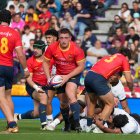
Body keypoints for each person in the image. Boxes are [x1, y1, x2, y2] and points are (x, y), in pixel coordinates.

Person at [43, 28, 85, 132]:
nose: (63, 40)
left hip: (73, 74)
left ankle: (77, 123)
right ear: (58, 38)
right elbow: (45, 62)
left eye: (66, 38)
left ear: (70, 38)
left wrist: (67, 76)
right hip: (60, 76)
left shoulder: (76, 49)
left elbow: (81, 67)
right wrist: (48, 77)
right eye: (61, 38)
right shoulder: (52, 47)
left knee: (70, 94)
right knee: (63, 103)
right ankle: (67, 123)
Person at [84, 48, 135, 132]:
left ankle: (88, 126)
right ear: (126, 57)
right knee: (110, 104)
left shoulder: (108, 57)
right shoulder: (124, 60)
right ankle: (99, 128)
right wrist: (132, 90)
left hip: (89, 76)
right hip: (99, 79)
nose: (128, 61)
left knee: (92, 102)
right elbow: (129, 80)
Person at [0, 9, 29, 133]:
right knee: (7, 96)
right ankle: (10, 124)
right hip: (9, 68)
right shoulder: (15, 33)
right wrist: (26, 69)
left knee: (0, 97)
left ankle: (12, 124)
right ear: (10, 20)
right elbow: (21, 55)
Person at [14, 40, 48, 130]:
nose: (35, 50)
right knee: (43, 96)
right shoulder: (30, 61)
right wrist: (37, 88)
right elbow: (29, 79)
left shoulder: (49, 60)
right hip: (32, 86)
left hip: (45, 85)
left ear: (43, 49)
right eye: (34, 48)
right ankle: (44, 125)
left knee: (36, 113)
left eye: (38, 48)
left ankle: (17, 116)